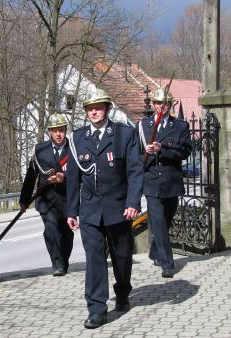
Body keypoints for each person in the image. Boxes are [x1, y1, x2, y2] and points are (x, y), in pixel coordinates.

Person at [66, 88, 143, 329]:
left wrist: (132, 203)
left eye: (98, 107)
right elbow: (73, 177)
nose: (94, 112)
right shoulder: (77, 138)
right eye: (90, 108)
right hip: (90, 209)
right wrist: (71, 211)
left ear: (107, 109)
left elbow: (134, 171)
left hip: (118, 207)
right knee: (94, 258)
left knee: (121, 255)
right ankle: (97, 308)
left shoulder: (124, 134)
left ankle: (122, 291)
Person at [136, 87, 192, 278]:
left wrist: (163, 149)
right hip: (151, 180)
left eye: (165, 103)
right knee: (158, 222)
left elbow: (185, 151)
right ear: (153, 104)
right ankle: (168, 263)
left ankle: (154, 251)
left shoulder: (180, 126)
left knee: (166, 220)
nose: (162, 107)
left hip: (171, 179)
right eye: (158, 103)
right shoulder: (142, 126)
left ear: (170, 105)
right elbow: (135, 152)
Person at [19, 113, 74, 277]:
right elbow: (31, 175)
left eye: (61, 130)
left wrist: (64, 177)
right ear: (49, 132)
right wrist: (24, 200)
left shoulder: (74, 148)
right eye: (55, 130)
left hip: (66, 199)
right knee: (50, 229)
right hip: (46, 199)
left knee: (66, 234)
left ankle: (63, 261)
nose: (58, 134)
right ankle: (57, 264)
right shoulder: (40, 150)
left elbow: (80, 175)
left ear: (66, 130)